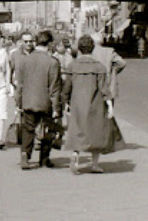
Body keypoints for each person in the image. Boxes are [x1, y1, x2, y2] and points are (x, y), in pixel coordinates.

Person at [13, 30, 63, 169]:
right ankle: (44, 158)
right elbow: (54, 88)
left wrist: (18, 102)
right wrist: (56, 108)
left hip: (28, 100)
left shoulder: (25, 59)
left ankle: (25, 154)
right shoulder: (53, 62)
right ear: (50, 43)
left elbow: (20, 83)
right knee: (48, 129)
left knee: (28, 129)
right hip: (45, 102)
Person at [64, 35, 113, 174]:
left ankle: (75, 156)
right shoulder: (99, 67)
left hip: (77, 103)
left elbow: (67, 87)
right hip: (95, 104)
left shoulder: (72, 66)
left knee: (77, 130)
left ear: (79, 48)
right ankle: (95, 164)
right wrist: (109, 105)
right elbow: (104, 89)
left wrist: (66, 103)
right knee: (96, 131)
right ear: (93, 48)